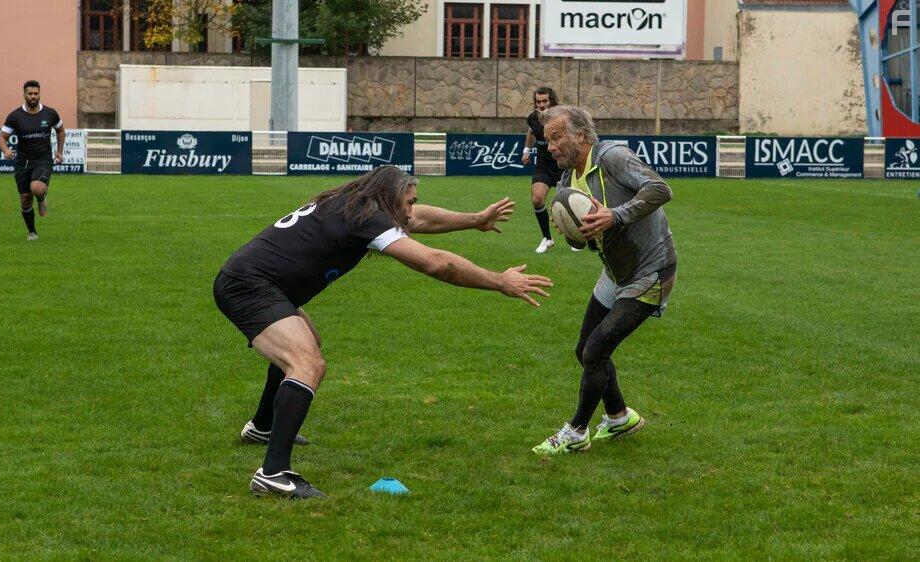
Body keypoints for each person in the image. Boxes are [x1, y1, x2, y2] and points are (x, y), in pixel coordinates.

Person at [215, 165, 552, 498]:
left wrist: (474, 220)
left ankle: (263, 426)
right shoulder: (366, 217)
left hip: (258, 280)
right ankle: (273, 473)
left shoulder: (354, 202)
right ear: (389, 198)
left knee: (307, 343)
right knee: (307, 363)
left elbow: (417, 217)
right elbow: (436, 263)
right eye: (407, 201)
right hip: (250, 286)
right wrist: (500, 281)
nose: (409, 210)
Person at [531, 106, 677, 455]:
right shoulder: (566, 183)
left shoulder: (612, 156)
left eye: (556, 137)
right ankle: (618, 416)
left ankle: (576, 431)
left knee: (596, 350)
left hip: (650, 270)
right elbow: (580, 242)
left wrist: (616, 214)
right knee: (584, 351)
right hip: (614, 273)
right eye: (546, 140)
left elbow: (660, 189)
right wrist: (569, 229)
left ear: (580, 135)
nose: (550, 147)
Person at [0, 80, 65, 241]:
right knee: (25, 200)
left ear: (39, 94)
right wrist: (6, 151)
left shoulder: (50, 113)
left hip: (43, 159)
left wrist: (59, 151)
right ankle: (32, 232)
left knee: (37, 188)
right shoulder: (15, 116)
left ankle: (41, 198)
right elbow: (2, 137)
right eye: (30, 93)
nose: (33, 96)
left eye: (36, 93)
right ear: (24, 95)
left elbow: (60, 130)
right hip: (23, 162)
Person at [521, 86, 573, 254]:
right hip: (543, 165)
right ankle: (547, 238)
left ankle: (574, 237)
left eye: (545, 101)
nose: (541, 105)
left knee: (569, 204)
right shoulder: (533, 118)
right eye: (538, 102)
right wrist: (526, 151)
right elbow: (530, 133)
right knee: (537, 199)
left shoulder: (562, 118)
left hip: (563, 165)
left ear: (552, 101)